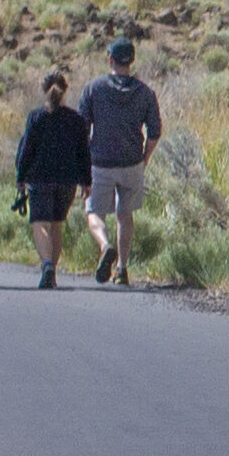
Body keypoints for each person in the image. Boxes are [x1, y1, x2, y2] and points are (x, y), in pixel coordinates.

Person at [77, 38, 163, 285]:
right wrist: (145, 158)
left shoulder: (93, 89)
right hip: (132, 162)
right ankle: (122, 269)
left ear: (110, 60)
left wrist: (82, 165)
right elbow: (155, 131)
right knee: (125, 215)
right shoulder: (145, 92)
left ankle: (105, 247)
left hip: (100, 162)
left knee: (93, 212)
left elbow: (82, 130)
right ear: (131, 61)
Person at [11, 65, 89, 290]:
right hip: (67, 179)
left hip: (40, 178)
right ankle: (51, 271)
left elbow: (27, 149)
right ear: (65, 91)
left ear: (43, 89)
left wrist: (20, 176)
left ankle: (46, 265)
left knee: (39, 222)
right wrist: (86, 181)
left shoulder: (37, 117)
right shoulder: (75, 119)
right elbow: (83, 152)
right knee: (56, 224)